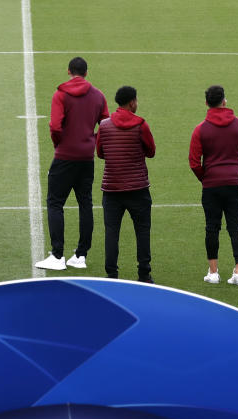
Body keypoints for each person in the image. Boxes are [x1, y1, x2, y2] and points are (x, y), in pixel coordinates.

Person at [35, 57, 110, 271]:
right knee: (85, 203)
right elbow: (105, 124)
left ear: (69, 71)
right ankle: (81, 255)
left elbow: (55, 126)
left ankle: (57, 255)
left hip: (65, 156)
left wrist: (60, 144)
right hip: (86, 158)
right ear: (86, 72)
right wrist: (93, 142)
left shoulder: (61, 94)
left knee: (55, 203)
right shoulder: (98, 95)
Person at [189, 84, 238, 286]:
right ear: (225, 101)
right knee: (235, 226)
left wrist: (206, 177)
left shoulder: (200, 129)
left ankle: (213, 272)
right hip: (234, 184)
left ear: (206, 103)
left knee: (212, 227)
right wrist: (236, 170)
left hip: (211, 186)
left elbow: (194, 162)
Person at [96, 86, 156, 283]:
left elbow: (100, 153)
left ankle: (112, 274)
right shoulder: (141, 125)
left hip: (112, 188)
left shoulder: (104, 126)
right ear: (132, 102)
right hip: (138, 188)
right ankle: (144, 274)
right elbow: (151, 151)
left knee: (112, 232)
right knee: (142, 230)